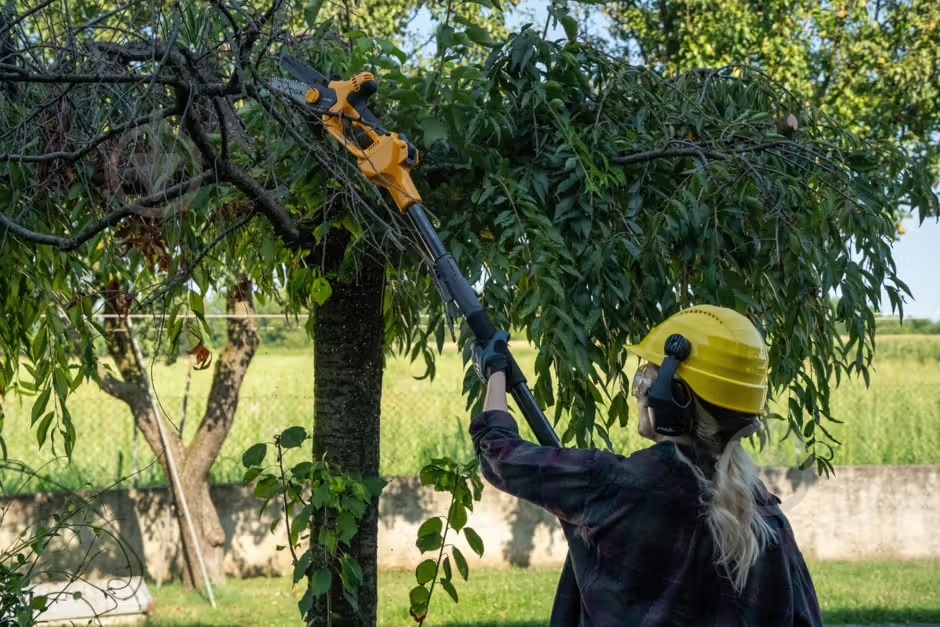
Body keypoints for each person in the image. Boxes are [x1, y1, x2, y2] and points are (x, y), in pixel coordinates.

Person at [468, 305, 823, 626]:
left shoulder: (612, 486)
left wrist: (495, 371)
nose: (638, 392)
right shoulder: (768, 523)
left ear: (673, 399)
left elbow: (500, 454)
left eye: (644, 381)